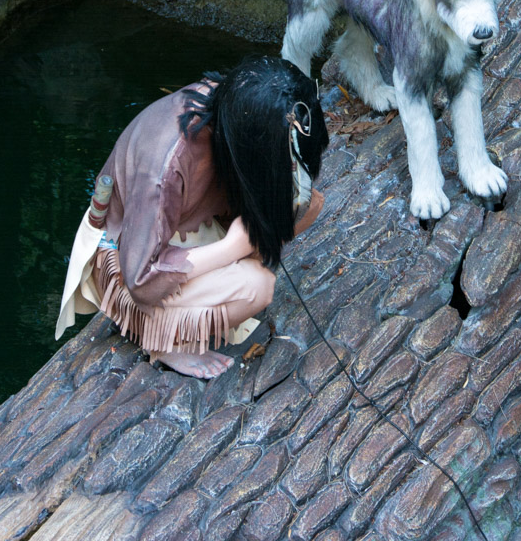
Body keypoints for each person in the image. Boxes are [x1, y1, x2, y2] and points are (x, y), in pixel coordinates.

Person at [55, 57, 327, 378]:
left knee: (307, 204)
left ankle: (216, 285)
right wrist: (232, 249)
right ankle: (163, 340)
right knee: (256, 287)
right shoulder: (167, 167)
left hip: (198, 223)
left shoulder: (242, 105)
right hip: (129, 262)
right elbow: (140, 278)